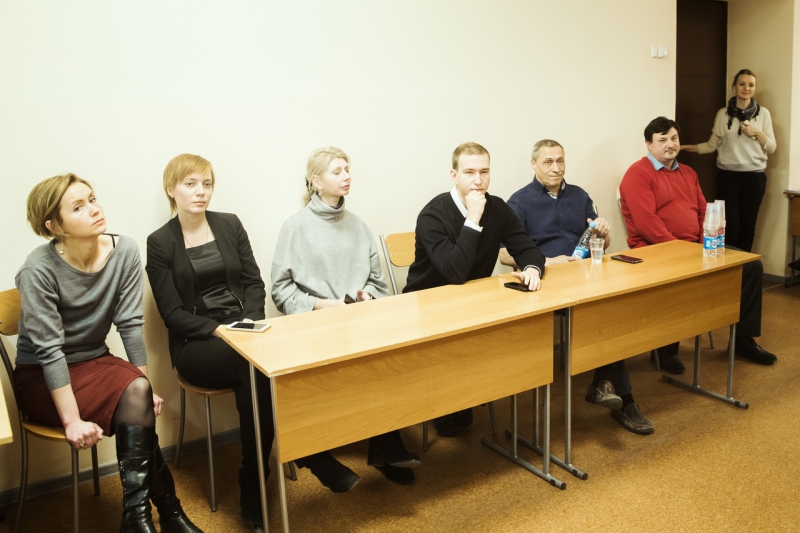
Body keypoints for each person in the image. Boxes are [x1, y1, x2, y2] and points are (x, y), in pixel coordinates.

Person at [14, 174, 200, 533]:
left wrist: (144, 388)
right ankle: (168, 513)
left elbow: (129, 324)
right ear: (54, 226)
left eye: (92, 198)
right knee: (136, 412)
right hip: (42, 377)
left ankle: (138, 518)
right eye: (78, 207)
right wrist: (72, 420)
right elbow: (49, 351)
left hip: (96, 362)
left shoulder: (124, 251)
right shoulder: (37, 269)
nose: (94, 209)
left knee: (137, 396)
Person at [271, 146, 420, 486]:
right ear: (316, 181)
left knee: (390, 357)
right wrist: (323, 305)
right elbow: (281, 291)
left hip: (359, 322)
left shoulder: (358, 225)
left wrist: (366, 296)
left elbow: (377, 281)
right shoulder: (295, 228)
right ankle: (355, 448)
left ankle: (385, 441)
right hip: (317, 326)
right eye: (337, 171)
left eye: (347, 169)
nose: (346, 176)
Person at [146, 154, 274, 528]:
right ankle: (289, 467)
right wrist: (218, 330)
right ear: (171, 189)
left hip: (244, 332)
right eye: (190, 184)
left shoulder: (229, 224)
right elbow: (172, 313)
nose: (201, 191)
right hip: (196, 343)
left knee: (261, 367)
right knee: (252, 364)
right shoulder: (160, 242)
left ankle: (255, 481)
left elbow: (254, 283)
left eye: (207, 184)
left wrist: (250, 320)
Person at [499, 139, 653, 435]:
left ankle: (603, 383)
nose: (556, 168)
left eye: (560, 161)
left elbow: (602, 244)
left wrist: (603, 234)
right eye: (548, 162)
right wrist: (546, 261)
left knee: (616, 303)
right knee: (603, 311)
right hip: (547, 279)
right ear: (533, 164)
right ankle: (624, 399)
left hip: (585, 275)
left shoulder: (580, 196)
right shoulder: (518, 202)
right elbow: (505, 254)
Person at [403, 142, 546, 438]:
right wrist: (472, 219)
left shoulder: (497, 207)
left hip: (472, 300)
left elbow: (528, 249)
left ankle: (466, 391)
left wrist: (532, 267)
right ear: (454, 175)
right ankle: (447, 398)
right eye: (469, 172)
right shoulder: (432, 215)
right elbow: (454, 273)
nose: (478, 180)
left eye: (484, 172)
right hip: (428, 303)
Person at [620, 117, 777, 371]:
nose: (670, 144)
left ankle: (743, 340)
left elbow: (705, 212)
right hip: (655, 252)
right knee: (678, 277)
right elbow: (647, 223)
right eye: (662, 140)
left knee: (750, 266)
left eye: (674, 138)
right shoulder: (637, 174)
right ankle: (666, 349)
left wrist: (705, 246)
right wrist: (683, 250)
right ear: (649, 144)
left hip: (694, 247)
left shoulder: (688, 173)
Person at [682, 69, 776, 253]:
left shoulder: (763, 114)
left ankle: (744, 266)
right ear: (734, 88)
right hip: (728, 178)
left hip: (754, 178)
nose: (746, 88)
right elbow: (711, 146)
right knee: (730, 226)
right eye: (742, 84)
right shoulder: (723, 115)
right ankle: (730, 264)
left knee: (748, 226)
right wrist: (683, 147)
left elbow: (771, 147)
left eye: (751, 85)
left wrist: (758, 133)